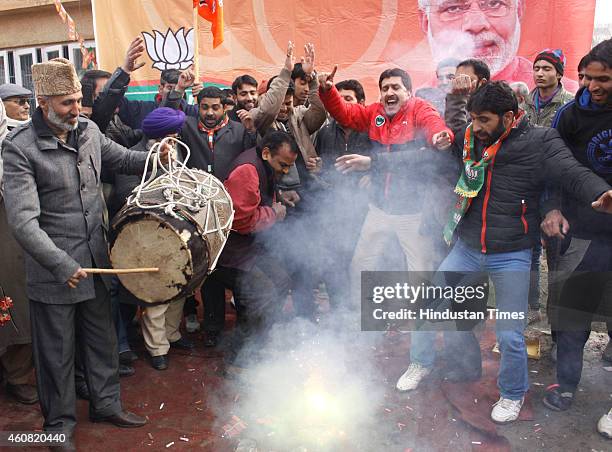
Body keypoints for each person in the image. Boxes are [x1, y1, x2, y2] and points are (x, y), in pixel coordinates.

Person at [398, 81, 612, 424]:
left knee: (510, 332)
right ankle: (420, 362)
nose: (477, 127)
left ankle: (512, 393)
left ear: (510, 117)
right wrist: (372, 162)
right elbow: (429, 155)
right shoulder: (469, 138)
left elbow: (573, 172)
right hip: (466, 247)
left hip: (511, 253)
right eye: (473, 118)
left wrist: (603, 192)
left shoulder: (541, 141)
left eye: (484, 119)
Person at [1, 58, 166, 448]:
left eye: (77, 100)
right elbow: (23, 222)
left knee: (102, 340)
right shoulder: (20, 149)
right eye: (66, 103)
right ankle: (58, 425)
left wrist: (155, 159)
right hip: (54, 272)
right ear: (43, 102)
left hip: (96, 261)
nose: (76, 109)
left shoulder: (89, 130)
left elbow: (121, 159)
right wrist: (61, 264)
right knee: (56, 355)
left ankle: (107, 404)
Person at [319, 67, 453, 306]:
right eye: (385, 89)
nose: (389, 93)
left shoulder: (420, 109)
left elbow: (435, 127)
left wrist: (439, 136)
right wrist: (328, 91)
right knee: (360, 266)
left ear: (409, 92)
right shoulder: (375, 113)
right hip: (379, 209)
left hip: (413, 213)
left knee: (419, 276)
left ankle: (419, 333)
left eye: (395, 87)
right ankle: (362, 323)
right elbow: (347, 114)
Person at [538, 39, 612, 439]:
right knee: (570, 317)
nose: (592, 86)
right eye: (586, 77)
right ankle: (566, 384)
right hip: (581, 234)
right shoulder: (571, 114)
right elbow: (551, 167)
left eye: (603, 79)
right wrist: (550, 208)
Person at [207, 131, 295, 367]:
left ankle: (259, 342)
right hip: (230, 255)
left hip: (249, 250)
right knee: (262, 295)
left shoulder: (263, 163)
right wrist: (273, 214)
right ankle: (239, 361)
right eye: (282, 165)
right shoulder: (247, 170)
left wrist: (280, 198)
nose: (285, 171)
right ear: (266, 153)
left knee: (282, 281)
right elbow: (240, 221)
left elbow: (258, 198)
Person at [417, 0, 579, 92]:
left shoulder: (569, 94)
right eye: (454, 8)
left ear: (519, 10)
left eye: (493, 4)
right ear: (425, 22)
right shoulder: (414, 103)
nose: (476, 24)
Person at [520, 49, 574, 324]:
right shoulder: (524, 104)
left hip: (557, 191)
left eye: (547, 69)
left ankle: (557, 317)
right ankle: (532, 308)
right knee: (528, 253)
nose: (540, 73)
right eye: (537, 68)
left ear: (559, 73)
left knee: (557, 257)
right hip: (528, 188)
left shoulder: (569, 105)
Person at [313, 79, 372, 306]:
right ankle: (339, 317)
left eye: (348, 99)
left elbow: (385, 161)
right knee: (333, 264)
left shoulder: (372, 130)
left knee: (364, 265)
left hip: (365, 211)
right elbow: (324, 166)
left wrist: (373, 175)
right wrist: (319, 168)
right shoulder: (326, 132)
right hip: (333, 211)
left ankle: (365, 314)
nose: (342, 105)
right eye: (338, 99)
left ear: (361, 103)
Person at [0, 95, 37, 406]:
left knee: (16, 304)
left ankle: (19, 376)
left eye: (28, 101)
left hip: (13, 234)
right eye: (17, 101)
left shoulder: (20, 143)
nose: (26, 106)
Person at [98, 37, 198, 130]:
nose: (174, 92)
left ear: (183, 91)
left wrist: (201, 97)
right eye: (170, 88)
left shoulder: (192, 112)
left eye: (178, 88)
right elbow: (109, 103)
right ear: (160, 89)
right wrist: (124, 71)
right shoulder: (140, 109)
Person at [444, 58, 490, 137]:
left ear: (482, 83)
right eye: (458, 79)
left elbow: (462, 138)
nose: (461, 84)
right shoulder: (451, 99)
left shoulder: (491, 106)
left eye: (466, 79)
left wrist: (457, 99)